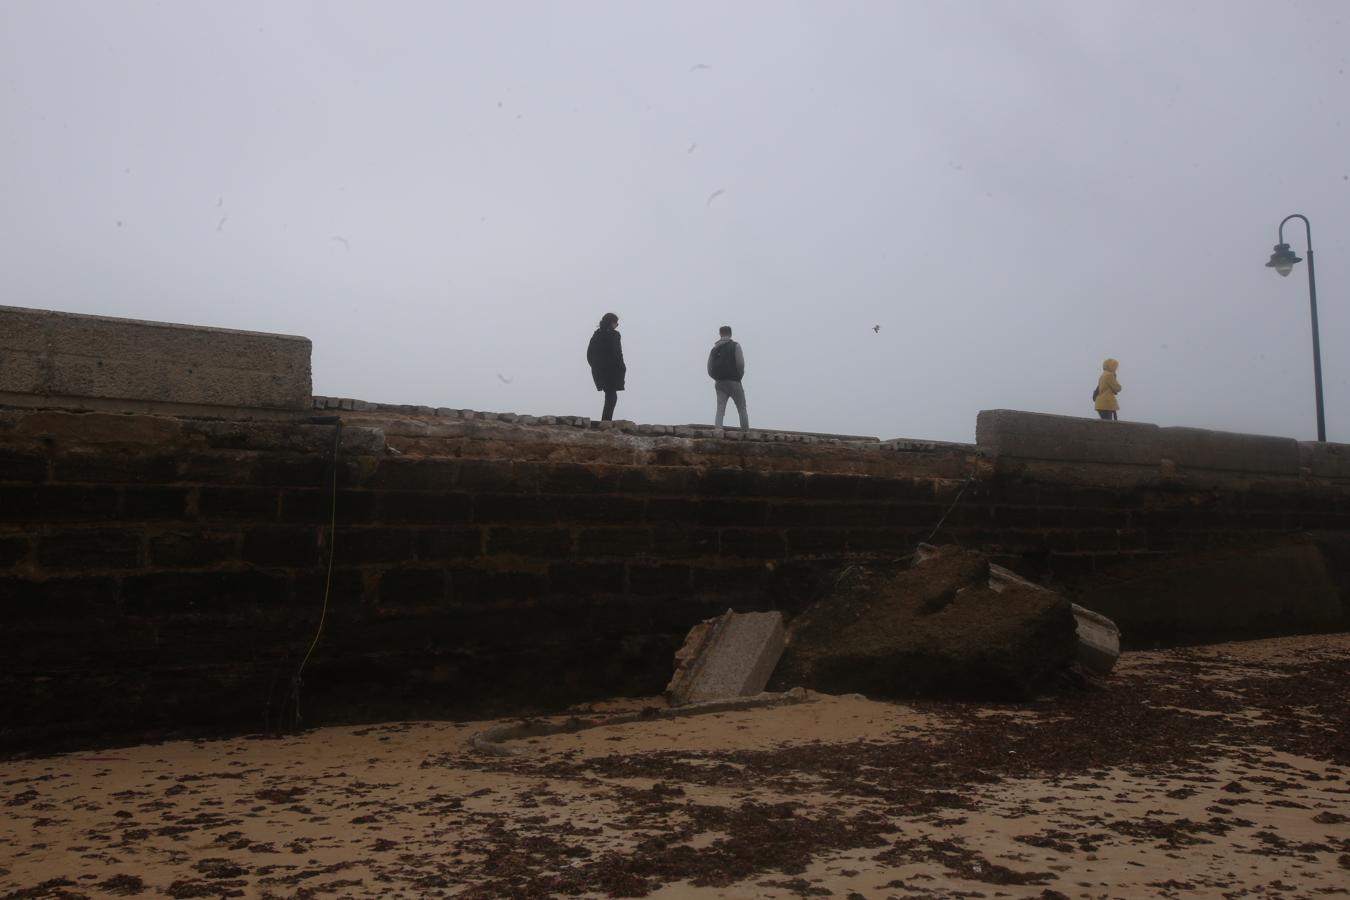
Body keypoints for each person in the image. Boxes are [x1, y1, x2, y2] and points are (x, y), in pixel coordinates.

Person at [707, 325, 748, 430]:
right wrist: (739, 376)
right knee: (742, 408)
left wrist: (716, 377)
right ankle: (745, 432)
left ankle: (718, 431)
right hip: (735, 381)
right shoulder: (736, 346)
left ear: (720, 334)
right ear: (730, 334)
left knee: (720, 409)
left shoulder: (714, 349)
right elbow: (740, 364)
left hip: (720, 382)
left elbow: (709, 368)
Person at [586, 312, 626, 421]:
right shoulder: (614, 335)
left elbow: (589, 354)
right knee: (612, 396)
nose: (616, 326)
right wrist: (621, 367)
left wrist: (596, 366)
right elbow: (617, 353)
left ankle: (606, 420)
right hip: (611, 370)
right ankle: (606, 421)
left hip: (599, 371)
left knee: (610, 395)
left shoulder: (596, 335)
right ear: (611, 322)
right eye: (616, 323)